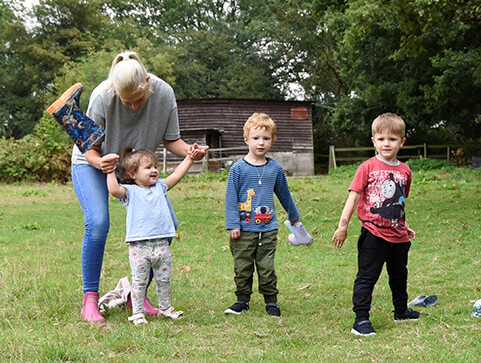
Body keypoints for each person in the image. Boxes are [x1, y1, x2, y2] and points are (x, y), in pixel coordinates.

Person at [52, 51, 207, 323]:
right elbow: (90, 150)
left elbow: (173, 140)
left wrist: (191, 151)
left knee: (165, 221)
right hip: (93, 162)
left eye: (138, 100)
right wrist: (102, 163)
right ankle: (90, 300)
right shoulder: (102, 96)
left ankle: (137, 295)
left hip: (133, 166)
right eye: (127, 102)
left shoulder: (164, 94)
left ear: (147, 82)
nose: (133, 107)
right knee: (98, 222)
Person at [332, 113, 419, 337]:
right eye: (381, 139)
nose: (386, 144)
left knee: (399, 275)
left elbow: (399, 202)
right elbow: (352, 198)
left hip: (399, 236)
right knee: (367, 276)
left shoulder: (405, 171)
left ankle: (401, 311)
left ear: (402, 142)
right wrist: (343, 226)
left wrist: (405, 225)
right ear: (374, 141)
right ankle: (361, 320)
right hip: (373, 234)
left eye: (392, 139)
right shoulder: (367, 168)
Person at [224, 113, 301, 318]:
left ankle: (271, 302)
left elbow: (284, 193)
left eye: (266, 138)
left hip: (268, 228)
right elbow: (231, 198)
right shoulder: (238, 169)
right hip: (243, 229)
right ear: (246, 139)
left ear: (272, 141)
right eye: (256, 138)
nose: (261, 143)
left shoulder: (274, 168)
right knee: (243, 267)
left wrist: (294, 216)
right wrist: (233, 224)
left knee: (266, 267)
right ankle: (242, 300)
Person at [106, 146, 195, 324]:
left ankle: (165, 308)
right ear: (132, 174)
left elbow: (176, 175)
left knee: (164, 280)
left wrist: (190, 159)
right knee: (139, 282)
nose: (154, 170)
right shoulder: (129, 192)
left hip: (162, 244)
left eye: (155, 166)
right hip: (140, 247)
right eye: (148, 167)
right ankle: (137, 312)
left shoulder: (160, 187)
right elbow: (114, 191)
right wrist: (109, 172)